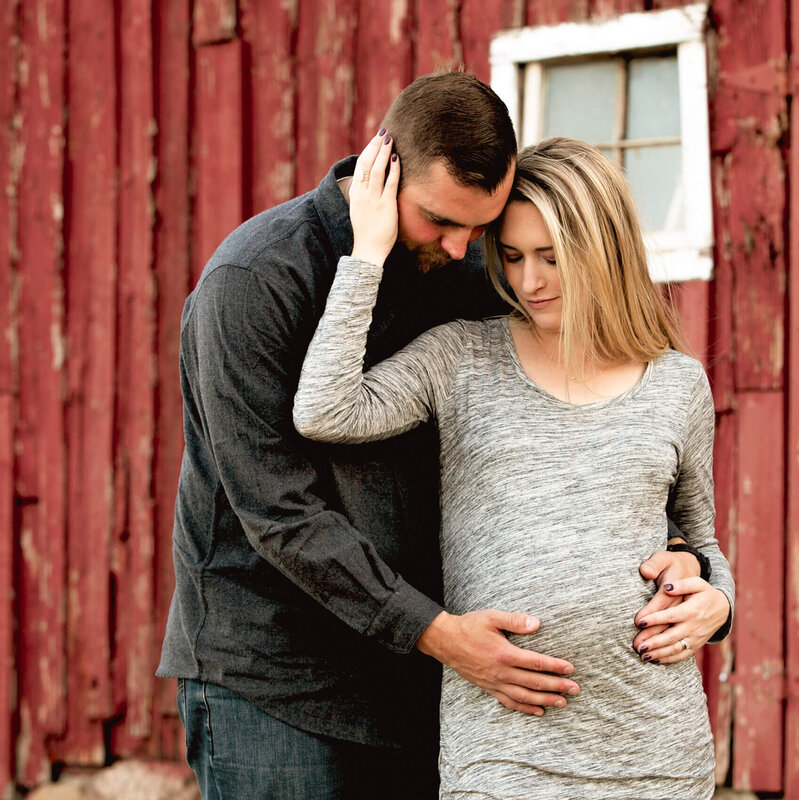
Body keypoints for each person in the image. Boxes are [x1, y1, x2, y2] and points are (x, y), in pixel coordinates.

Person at [157, 72, 728, 799]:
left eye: (480, 228)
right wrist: (432, 630)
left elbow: (575, 440)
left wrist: (692, 568)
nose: (466, 251)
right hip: (279, 673)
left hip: (425, 676)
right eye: (439, 222)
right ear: (382, 166)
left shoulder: (477, 269)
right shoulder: (255, 280)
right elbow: (278, 511)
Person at [292, 136, 735, 799]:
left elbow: (700, 541)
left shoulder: (677, 385)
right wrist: (367, 254)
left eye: (552, 258)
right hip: (503, 750)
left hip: (655, 753)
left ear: (603, 250)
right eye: (514, 256)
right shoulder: (461, 358)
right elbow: (324, 410)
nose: (530, 281)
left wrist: (717, 603)